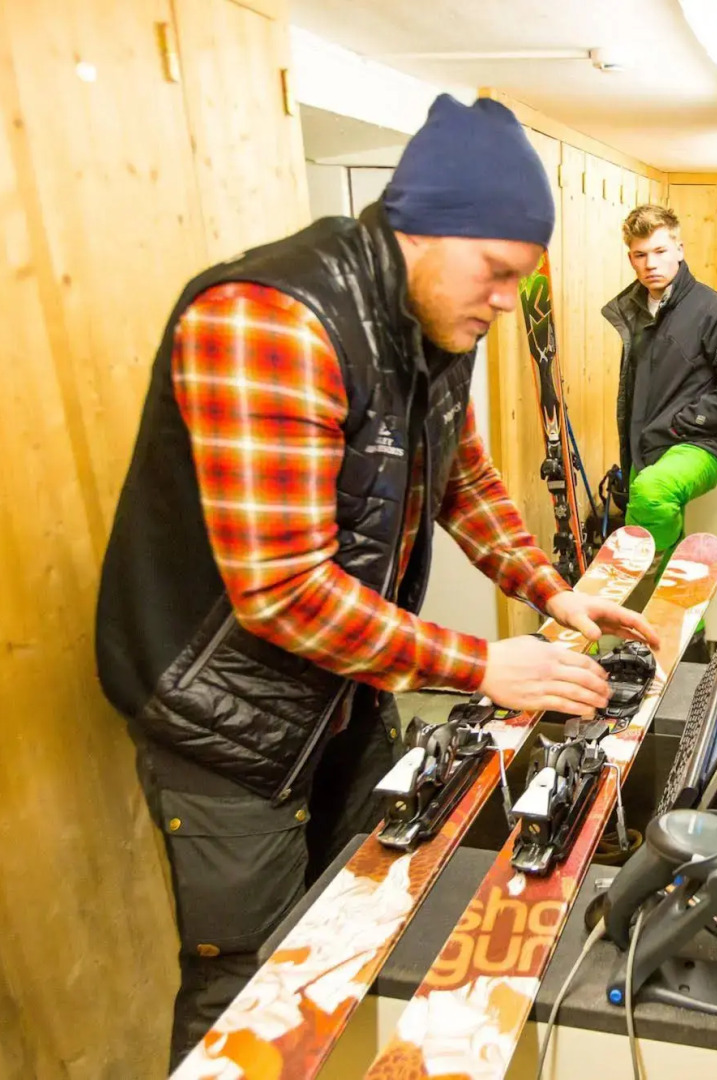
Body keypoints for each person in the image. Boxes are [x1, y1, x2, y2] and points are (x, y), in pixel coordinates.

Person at [94, 94, 658, 1068]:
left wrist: (552, 591)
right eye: (499, 273)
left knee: (348, 933)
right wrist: (484, 664)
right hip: (223, 723)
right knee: (252, 990)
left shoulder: (435, 323)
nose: (503, 300)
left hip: (341, 693)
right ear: (426, 227)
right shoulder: (265, 320)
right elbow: (279, 590)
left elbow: (464, 476)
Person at [602, 205, 717, 560]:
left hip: (696, 443)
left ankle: (647, 565)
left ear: (679, 250)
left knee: (652, 492)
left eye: (660, 251)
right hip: (645, 444)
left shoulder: (714, 311)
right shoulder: (635, 310)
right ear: (631, 258)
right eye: (640, 255)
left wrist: (686, 421)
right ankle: (679, 605)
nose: (650, 264)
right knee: (651, 511)